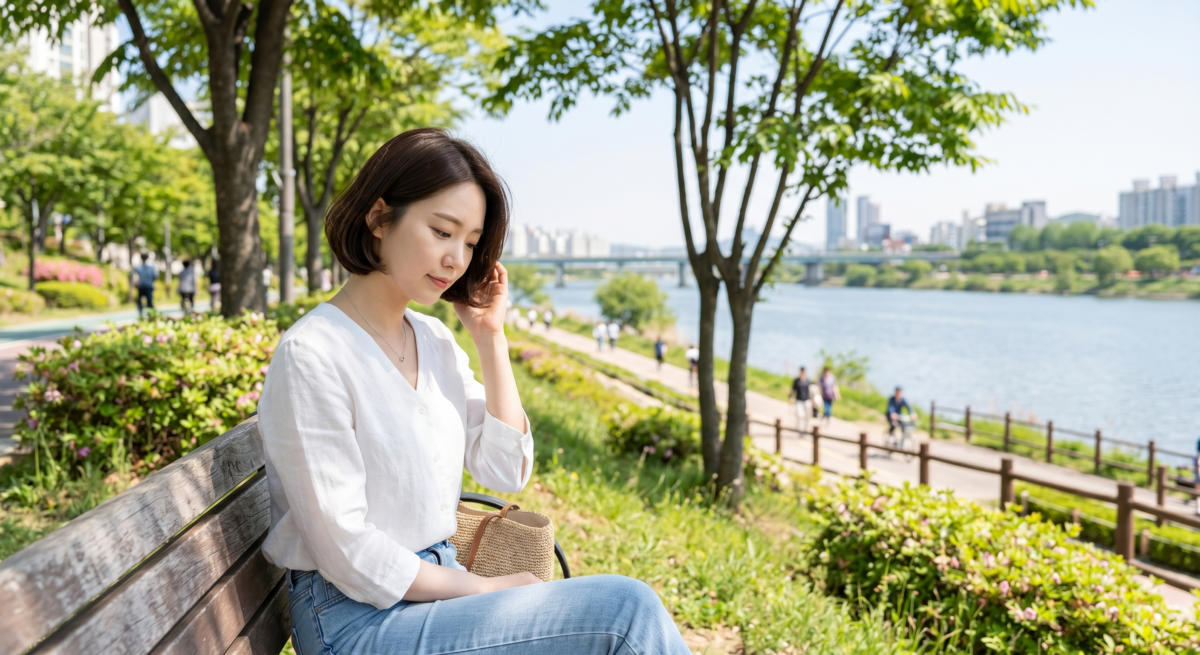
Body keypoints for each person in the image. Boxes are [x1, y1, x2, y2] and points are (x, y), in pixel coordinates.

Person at [256, 129, 690, 655]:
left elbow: (505, 470)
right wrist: (485, 588)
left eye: (470, 243)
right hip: (354, 621)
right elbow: (346, 551)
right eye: (442, 231)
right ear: (378, 218)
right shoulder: (314, 353)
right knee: (625, 612)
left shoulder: (433, 339)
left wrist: (490, 336)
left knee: (623, 613)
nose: (456, 260)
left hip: (437, 590)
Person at [133, 253, 157, 318]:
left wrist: (135, 285)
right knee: (149, 301)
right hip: (149, 286)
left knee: (140, 301)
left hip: (140, 286)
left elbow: (135, 277)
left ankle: (140, 314)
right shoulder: (152, 267)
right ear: (148, 258)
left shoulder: (138, 267)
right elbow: (155, 276)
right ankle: (150, 315)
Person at [788, 366, 812, 434]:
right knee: (800, 415)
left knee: (807, 416)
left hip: (807, 400)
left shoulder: (808, 381)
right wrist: (790, 398)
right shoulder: (796, 381)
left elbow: (811, 392)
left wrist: (813, 402)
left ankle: (806, 429)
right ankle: (799, 429)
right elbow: (793, 390)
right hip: (799, 400)